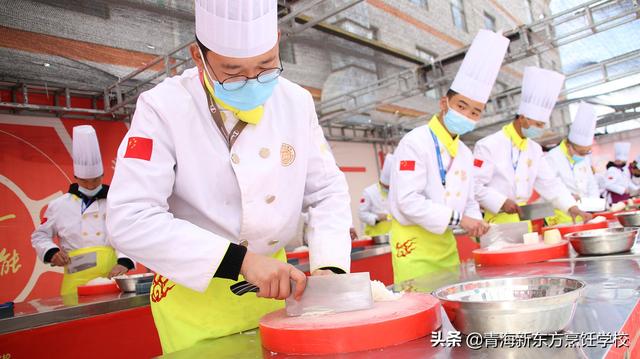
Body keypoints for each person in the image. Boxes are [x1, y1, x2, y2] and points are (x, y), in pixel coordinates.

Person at [105, 0, 352, 353]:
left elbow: (327, 190)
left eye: (266, 65)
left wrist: (330, 266)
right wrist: (243, 262)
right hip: (195, 296)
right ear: (197, 55)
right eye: (233, 71)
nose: (253, 80)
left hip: (278, 291)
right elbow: (131, 218)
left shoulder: (296, 101)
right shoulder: (163, 106)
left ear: (278, 40)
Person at [388, 30, 505, 284]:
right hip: (414, 245)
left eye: (475, 112)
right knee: (422, 314)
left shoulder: (464, 151)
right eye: (462, 106)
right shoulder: (415, 142)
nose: (467, 115)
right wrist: (459, 219)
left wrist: (476, 221)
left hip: (446, 244)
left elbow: (470, 197)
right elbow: (407, 201)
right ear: (444, 103)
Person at [473, 67, 592, 227]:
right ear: (522, 118)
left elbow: (549, 183)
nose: (540, 129)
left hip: (523, 217)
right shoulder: (488, 145)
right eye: (538, 124)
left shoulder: (534, 149)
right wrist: (501, 201)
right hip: (496, 219)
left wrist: (571, 207)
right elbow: (474, 185)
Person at [31, 125, 133, 296]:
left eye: (96, 179)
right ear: (76, 177)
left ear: (102, 174)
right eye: (85, 181)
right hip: (75, 278)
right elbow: (40, 236)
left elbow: (128, 233)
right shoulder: (59, 205)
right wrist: (51, 252)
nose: (91, 185)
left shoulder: (116, 201)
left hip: (111, 276)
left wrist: (126, 261)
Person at [544, 102, 600, 224]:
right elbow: (549, 187)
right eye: (580, 152)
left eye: (586, 152)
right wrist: (568, 198)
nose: (583, 156)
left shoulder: (584, 158)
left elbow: (592, 184)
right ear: (569, 145)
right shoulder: (552, 157)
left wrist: (592, 203)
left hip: (585, 211)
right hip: (561, 215)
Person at [359, 154, 394, 239]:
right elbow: (361, 214)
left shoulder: (395, 191)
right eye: (386, 186)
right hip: (375, 237)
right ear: (381, 182)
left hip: (392, 235)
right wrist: (377, 218)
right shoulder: (369, 192)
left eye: (390, 187)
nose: (388, 189)